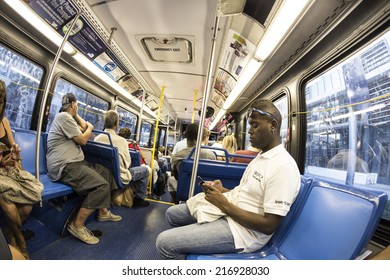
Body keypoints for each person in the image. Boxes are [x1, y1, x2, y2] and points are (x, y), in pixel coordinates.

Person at [156, 99, 301, 259]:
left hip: (244, 233)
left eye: (255, 125)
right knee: (172, 214)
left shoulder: (283, 166)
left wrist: (223, 204)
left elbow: (268, 225)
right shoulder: (261, 156)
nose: (250, 131)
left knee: (164, 243)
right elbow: (247, 195)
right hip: (232, 210)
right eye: (249, 126)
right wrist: (223, 191)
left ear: (273, 126)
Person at [46, 93, 122, 245]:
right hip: (65, 165)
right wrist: (91, 127)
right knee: (101, 186)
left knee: (105, 172)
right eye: (76, 105)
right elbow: (82, 139)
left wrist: (76, 114)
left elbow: (82, 127)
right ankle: (77, 225)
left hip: (76, 162)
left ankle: (103, 211)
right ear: (74, 104)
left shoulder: (68, 118)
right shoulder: (63, 117)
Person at [0, 80, 43, 259]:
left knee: (27, 205)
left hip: (10, 170)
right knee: (10, 209)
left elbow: (14, 151)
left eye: (1, 101)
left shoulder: (4, 122)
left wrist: (16, 156)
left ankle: (11, 234)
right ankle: (20, 242)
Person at [95, 110, 150, 207]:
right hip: (118, 177)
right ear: (116, 123)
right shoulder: (122, 141)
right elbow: (127, 163)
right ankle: (139, 199)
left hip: (101, 174)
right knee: (145, 170)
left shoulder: (97, 138)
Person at [168, 123, 216, 203]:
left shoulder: (176, 156)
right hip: (205, 190)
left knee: (170, 180)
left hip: (186, 190)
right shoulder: (211, 155)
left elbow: (177, 177)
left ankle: (177, 202)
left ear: (185, 135)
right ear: (201, 136)